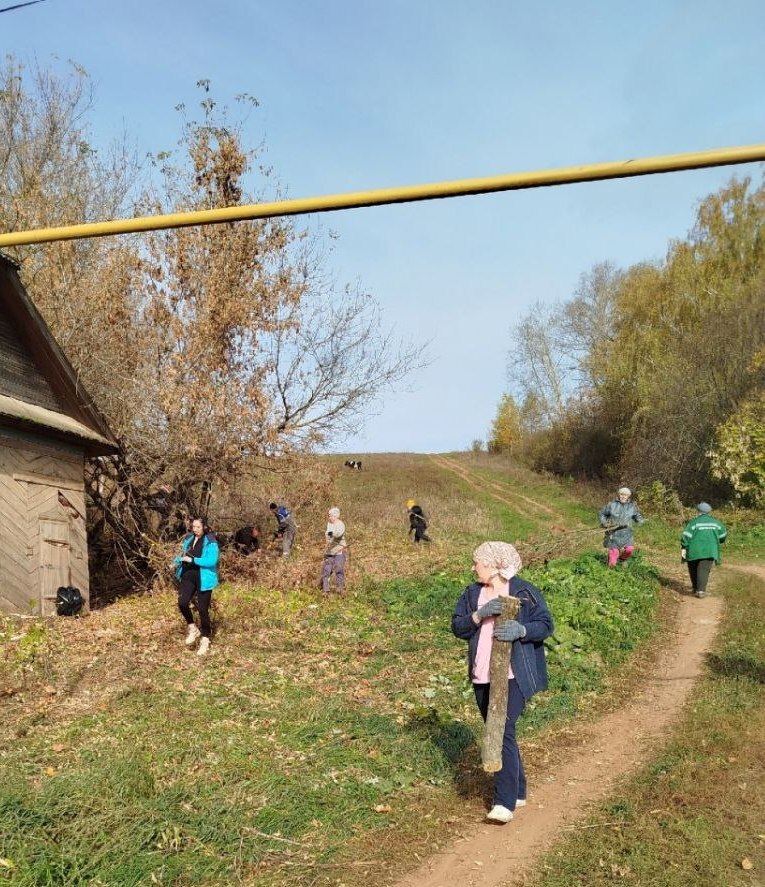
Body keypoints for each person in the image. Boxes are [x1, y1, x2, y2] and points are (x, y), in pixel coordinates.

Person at [451, 541, 554, 824]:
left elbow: (546, 624)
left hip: (513, 675)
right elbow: (457, 627)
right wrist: (478, 615)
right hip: (482, 674)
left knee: (501, 729)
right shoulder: (472, 593)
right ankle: (518, 789)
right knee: (499, 730)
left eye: (477, 563)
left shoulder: (523, 591)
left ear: (494, 565)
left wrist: (522, 630)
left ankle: (503, 802)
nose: (473, 568)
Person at [174, 517, 220, 656]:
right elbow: (182, 554)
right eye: (193, 527)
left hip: (203, 578)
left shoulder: (211, 541)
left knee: (202, 610)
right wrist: (175, 561)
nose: (195, 529)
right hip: (188, 576)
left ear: (204, 527)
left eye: (198, 527)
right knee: (182, 602)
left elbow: (211, 560)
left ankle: (205, 639)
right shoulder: (188, 540)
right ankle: (193, 628)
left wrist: (193, 560)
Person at [681, 502, 728, 598]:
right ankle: (701, 591)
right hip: (710, 551)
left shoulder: (694, 523)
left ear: (698, 511)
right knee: (704, 569)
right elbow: (723, 535)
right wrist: (719, 540)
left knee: (693, 568)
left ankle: (695, 588)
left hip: (694, 551)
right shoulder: (716, 523)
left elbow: (686, 536)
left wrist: (684, 546)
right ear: (709, 511)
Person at [598, 487, 645, 567]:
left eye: (625, 495)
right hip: (613, 533)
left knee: (629, 549)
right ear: (619, 495)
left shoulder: (632, 506)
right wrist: (605, 523)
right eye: (621, 494)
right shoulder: (611, 505)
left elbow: (637, 515)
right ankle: (611, 569)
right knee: (614, 553)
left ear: (628, 496)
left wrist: (640, 520)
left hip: (627, 533)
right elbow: (602, 514)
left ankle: (622, 559)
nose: (623, 496)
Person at [322, 506, 348, 593]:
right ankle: (325, 589)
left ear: (335, 516)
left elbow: (337, 534)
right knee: (326, 570)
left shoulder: (341, 524)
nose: (329, 517)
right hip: (330, 552)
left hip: (340, 551)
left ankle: (340, 589)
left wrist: (329, 533)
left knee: (339, 570)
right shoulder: (329, 524)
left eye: (330, 515)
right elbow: (327, 537)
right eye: (329, 515)